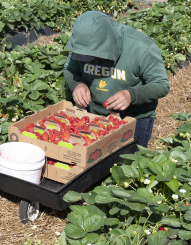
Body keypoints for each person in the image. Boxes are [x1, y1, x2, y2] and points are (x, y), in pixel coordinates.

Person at [63, 11, 170, 148]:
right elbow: (69, 69)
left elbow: (161, 85)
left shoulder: (141, 47)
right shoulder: (81, 44)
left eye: (95, 54)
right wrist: (77, 84)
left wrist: (131, 95)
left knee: (129, 163)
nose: (91, 59)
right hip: (92, 114)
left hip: (134, 118)